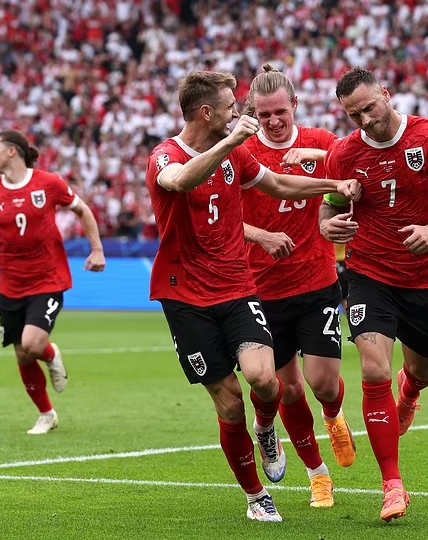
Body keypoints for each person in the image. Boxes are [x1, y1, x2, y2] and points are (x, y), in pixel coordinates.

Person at [144, 70, 360, 523]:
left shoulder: (237, 153)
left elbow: (278, 184)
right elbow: (180, 181)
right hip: (186, 297)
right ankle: (256, 495)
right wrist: (230, 144)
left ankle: (266, 430)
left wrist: (332, 185)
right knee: (228, 401)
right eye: (231, 107)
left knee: (266, 380)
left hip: (238, 287)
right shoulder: (166, 155)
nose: (238, 115)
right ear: (207, 113)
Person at [318, 67, 428, 522]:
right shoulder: (343, 154)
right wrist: (328, 226)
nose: (365, 120)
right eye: (354, 114)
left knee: (421, 369)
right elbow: (328, 209)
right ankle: (392, 485)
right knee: (374, 370)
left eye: (369, 108)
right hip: (369, 274)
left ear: (387, 95)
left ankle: (410, 393)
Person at [240, 65, 357, 509]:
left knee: (323, 383)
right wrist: (261, 237)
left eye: (280, 112)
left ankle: (334, 415)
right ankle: (317, 475)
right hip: (261, 289)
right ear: (254, 113)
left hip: (316, 281)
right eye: (264, 114)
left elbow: (355, 178)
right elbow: (223, 218)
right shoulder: (242, 152)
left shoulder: (321, 143)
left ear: (295, 105)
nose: (274, 121)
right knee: (287, 389)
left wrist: (318, 155)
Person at [0, 130, 106, 435]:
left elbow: (82, 210)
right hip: (10, 284)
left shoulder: (49, 183)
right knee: (22, 354)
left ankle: (50, 354)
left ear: (12, 151)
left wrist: (97, 249)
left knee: (32, 344)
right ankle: (47, 414)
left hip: (48, 279)